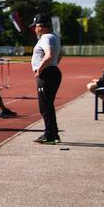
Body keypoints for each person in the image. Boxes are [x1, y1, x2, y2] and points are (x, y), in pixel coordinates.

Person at [31, 13, 62, 144]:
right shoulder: (55, 37)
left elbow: (49, 54)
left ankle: (49, 134)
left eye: (35, 27)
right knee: (48, 105)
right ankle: (52, 133)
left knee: (45, 106)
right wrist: (54, 64)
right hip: (53, 71)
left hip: (46, 74)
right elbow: (59, 54)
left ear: (40, 27)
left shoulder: (45, 38)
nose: (34, 30)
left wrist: (40, 69)